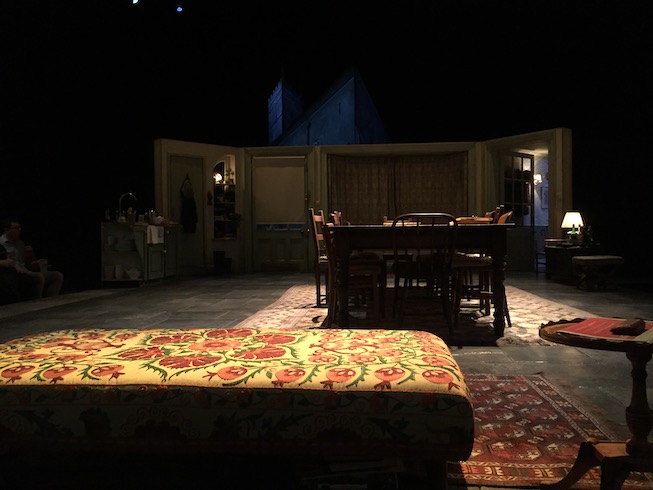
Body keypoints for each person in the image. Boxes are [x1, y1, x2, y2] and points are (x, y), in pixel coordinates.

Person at [0, 218, 63, 299]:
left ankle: (52, 301)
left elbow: (25, 263)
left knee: (57, 275)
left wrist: (35, 263)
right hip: (12, 274)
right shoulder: (1, 244)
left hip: (26, 271)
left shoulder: (20, 243)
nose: (19, 230)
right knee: (39, 277)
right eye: (16, 228)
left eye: (20, 228)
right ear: (6, 230)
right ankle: (38, 303)